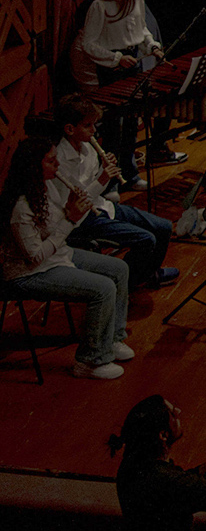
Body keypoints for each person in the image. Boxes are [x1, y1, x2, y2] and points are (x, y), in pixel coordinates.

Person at [2, 137, 133, 379]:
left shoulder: (45, 187)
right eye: (51, 161)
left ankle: (110, 339)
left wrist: (78, 204)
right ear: (34, 166)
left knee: (119, 268)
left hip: (57, 256)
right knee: (103, 288)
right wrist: (70, 219)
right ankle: (90, 360)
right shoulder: (20, 206)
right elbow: (35, 257)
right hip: (29, 273)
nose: (57, 166)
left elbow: (64, 217)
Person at [70, 0, 183, 184]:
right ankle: (111, 181)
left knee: (132, 122)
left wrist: (152, 47)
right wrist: (116, 58)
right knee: (113, 127)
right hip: (112, 69)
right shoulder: (100, 7)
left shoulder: (136, 0)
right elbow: (88, 44)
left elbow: (142, 30)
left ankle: (130, 173)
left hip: (134, 64)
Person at [53, 95, 176, 289]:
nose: (94, 130)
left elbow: (95, 189)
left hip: (102, 206)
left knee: (164, 227)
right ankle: (125, 285)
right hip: (81, 220)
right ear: (69, 129)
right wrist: (103, 178)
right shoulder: (58, 160)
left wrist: (104, 172)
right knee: (145, 240)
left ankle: (145, 273)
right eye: (88, 126)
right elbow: (75, 204)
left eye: (94, 124)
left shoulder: (88, 147)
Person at [112, 395, 206, 531]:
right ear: (163, 435)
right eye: (172, 413)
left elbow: (187, 480)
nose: (178, 411)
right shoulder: (168, 482)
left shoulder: (132, 465)